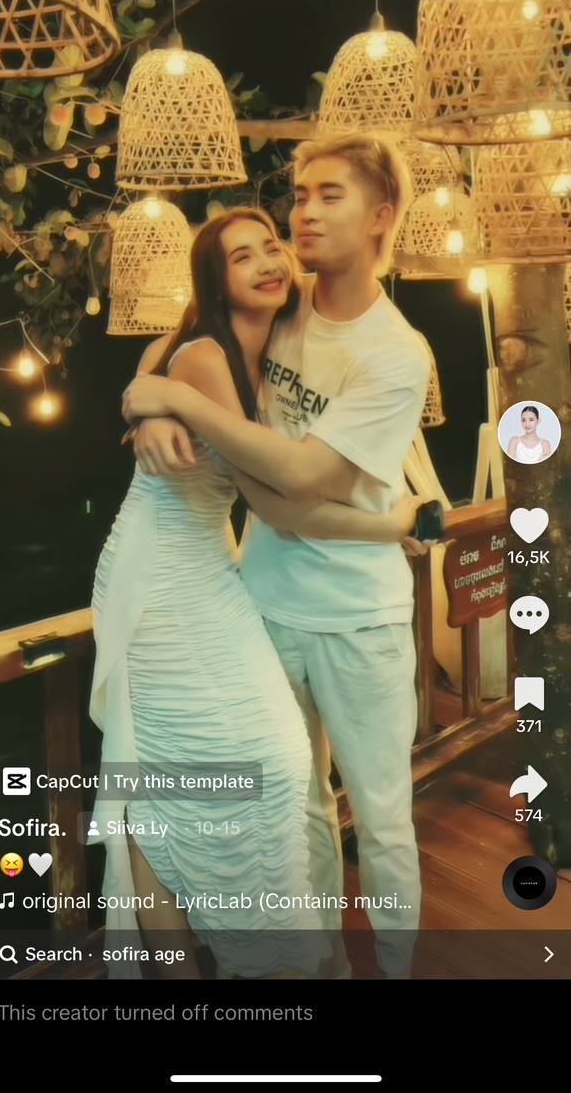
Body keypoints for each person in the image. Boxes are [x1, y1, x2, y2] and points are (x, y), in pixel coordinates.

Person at [123, 132, 432, 980]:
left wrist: (172, 398)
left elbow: (297, 481)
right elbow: (187, 338)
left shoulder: (394, 351)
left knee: (381, 816)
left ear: (380, 217)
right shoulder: (286, 300)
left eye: (330, 195)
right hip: (260, 601)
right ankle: (322, 964)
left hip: (358, 616)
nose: (304, 213)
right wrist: (149, 405)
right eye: (299, 195)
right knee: (295, 808)